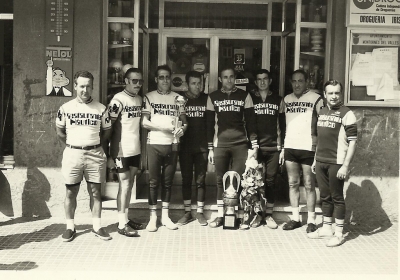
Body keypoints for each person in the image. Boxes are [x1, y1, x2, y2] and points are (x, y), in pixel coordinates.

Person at [56, 70, 112, 242]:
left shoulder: (102, 108)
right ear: (75, 86)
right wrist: (74, 145)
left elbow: (107, 131)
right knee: (70, 191)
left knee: (95, 192)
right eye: (81, 86)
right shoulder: (65, 108)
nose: (85, 90)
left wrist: (94, 145)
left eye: (88, 86)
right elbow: (60, 131)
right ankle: (70, 227)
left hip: (95, 153)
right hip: (73, 153)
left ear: (92, 87)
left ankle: (96, 226)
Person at [206, 67, 258, 229]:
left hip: (240, 143)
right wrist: (210, 148)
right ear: (220, 79)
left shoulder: (244, 95)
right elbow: (209, 124)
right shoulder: (213, 97)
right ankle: (222, 216)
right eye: (225, 77)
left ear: (235, 78)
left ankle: (240, 216)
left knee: (239, 181)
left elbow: (251, 121)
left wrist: (254, 145)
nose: (228, 80)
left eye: (231, 77)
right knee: (220, 180)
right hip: (220, 144)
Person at [309, 80, 357, 247]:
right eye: (330, 93)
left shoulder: (347, 113)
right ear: (325, 94)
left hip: (337, 162)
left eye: (337, 93)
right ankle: (327, 228)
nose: (334, 96)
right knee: (325, 196)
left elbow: (352, 142)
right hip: (321, 160)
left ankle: (338, 233)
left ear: (341, 94)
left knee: (337, 197)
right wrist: (315, 159)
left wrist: (345, 165)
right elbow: (320, 139)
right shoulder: (321, 111)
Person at [141, 65, 187, 232]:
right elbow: (144, 122)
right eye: (161, 77)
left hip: (173, 144)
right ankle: (153, 218)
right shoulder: (149, 97)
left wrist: (183, 129)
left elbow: (184, 120)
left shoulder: (178, 98)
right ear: (156, 79)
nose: (165, 80)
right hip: (154, 143)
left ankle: (165, 216)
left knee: (168, 183)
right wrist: (164, 129)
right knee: (153, 182)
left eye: (167, 77)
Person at [280, 69, 324, 233]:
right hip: (290, 146)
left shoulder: (316, 98)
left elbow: (322, 124)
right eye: (294, 81)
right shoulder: (286, 99)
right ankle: (295, 218)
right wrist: (283, 147)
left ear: (306, 82)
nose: (297, 84)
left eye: (300, 81)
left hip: (308, 147)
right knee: (292, 183)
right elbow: (283, 125)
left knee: (309, 184)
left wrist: (318, 148)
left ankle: (311, 220)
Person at [106, 67, 145, 237]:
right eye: (134, 81)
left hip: (135, 149)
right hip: (121, 149)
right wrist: (108, 153)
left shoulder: (139, 99)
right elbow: (108, 126)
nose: (138, 84)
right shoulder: (118, 100)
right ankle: (121, 224)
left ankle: (126, 218)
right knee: (125, 184)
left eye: (140, 81)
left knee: (129, 186)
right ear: (126, 81)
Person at [250, 69, 285, 229]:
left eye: (265, 79)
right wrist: (253, 144)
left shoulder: (278, 99)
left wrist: (281, 146)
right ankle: (257, 215)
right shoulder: (251, 98)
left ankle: (269, 215)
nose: (262, 82)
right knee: (255, 182)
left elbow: (282, 125)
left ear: (270, 81)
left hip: (273, 147)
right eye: (259, 79)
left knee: (270, 181)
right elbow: (249, 123)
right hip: (256, 146)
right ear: (256, 82)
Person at [176, 71, 209, 226]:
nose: (197, 86)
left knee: (201, 180)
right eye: (194, 83)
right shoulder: (180, 99)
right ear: (187, 84)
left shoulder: (206, 98)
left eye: (199, 83)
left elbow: (210, 123)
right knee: (186, 179)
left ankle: (200, 212)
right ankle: (188, 212)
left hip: (202, 146)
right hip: (185, 147)